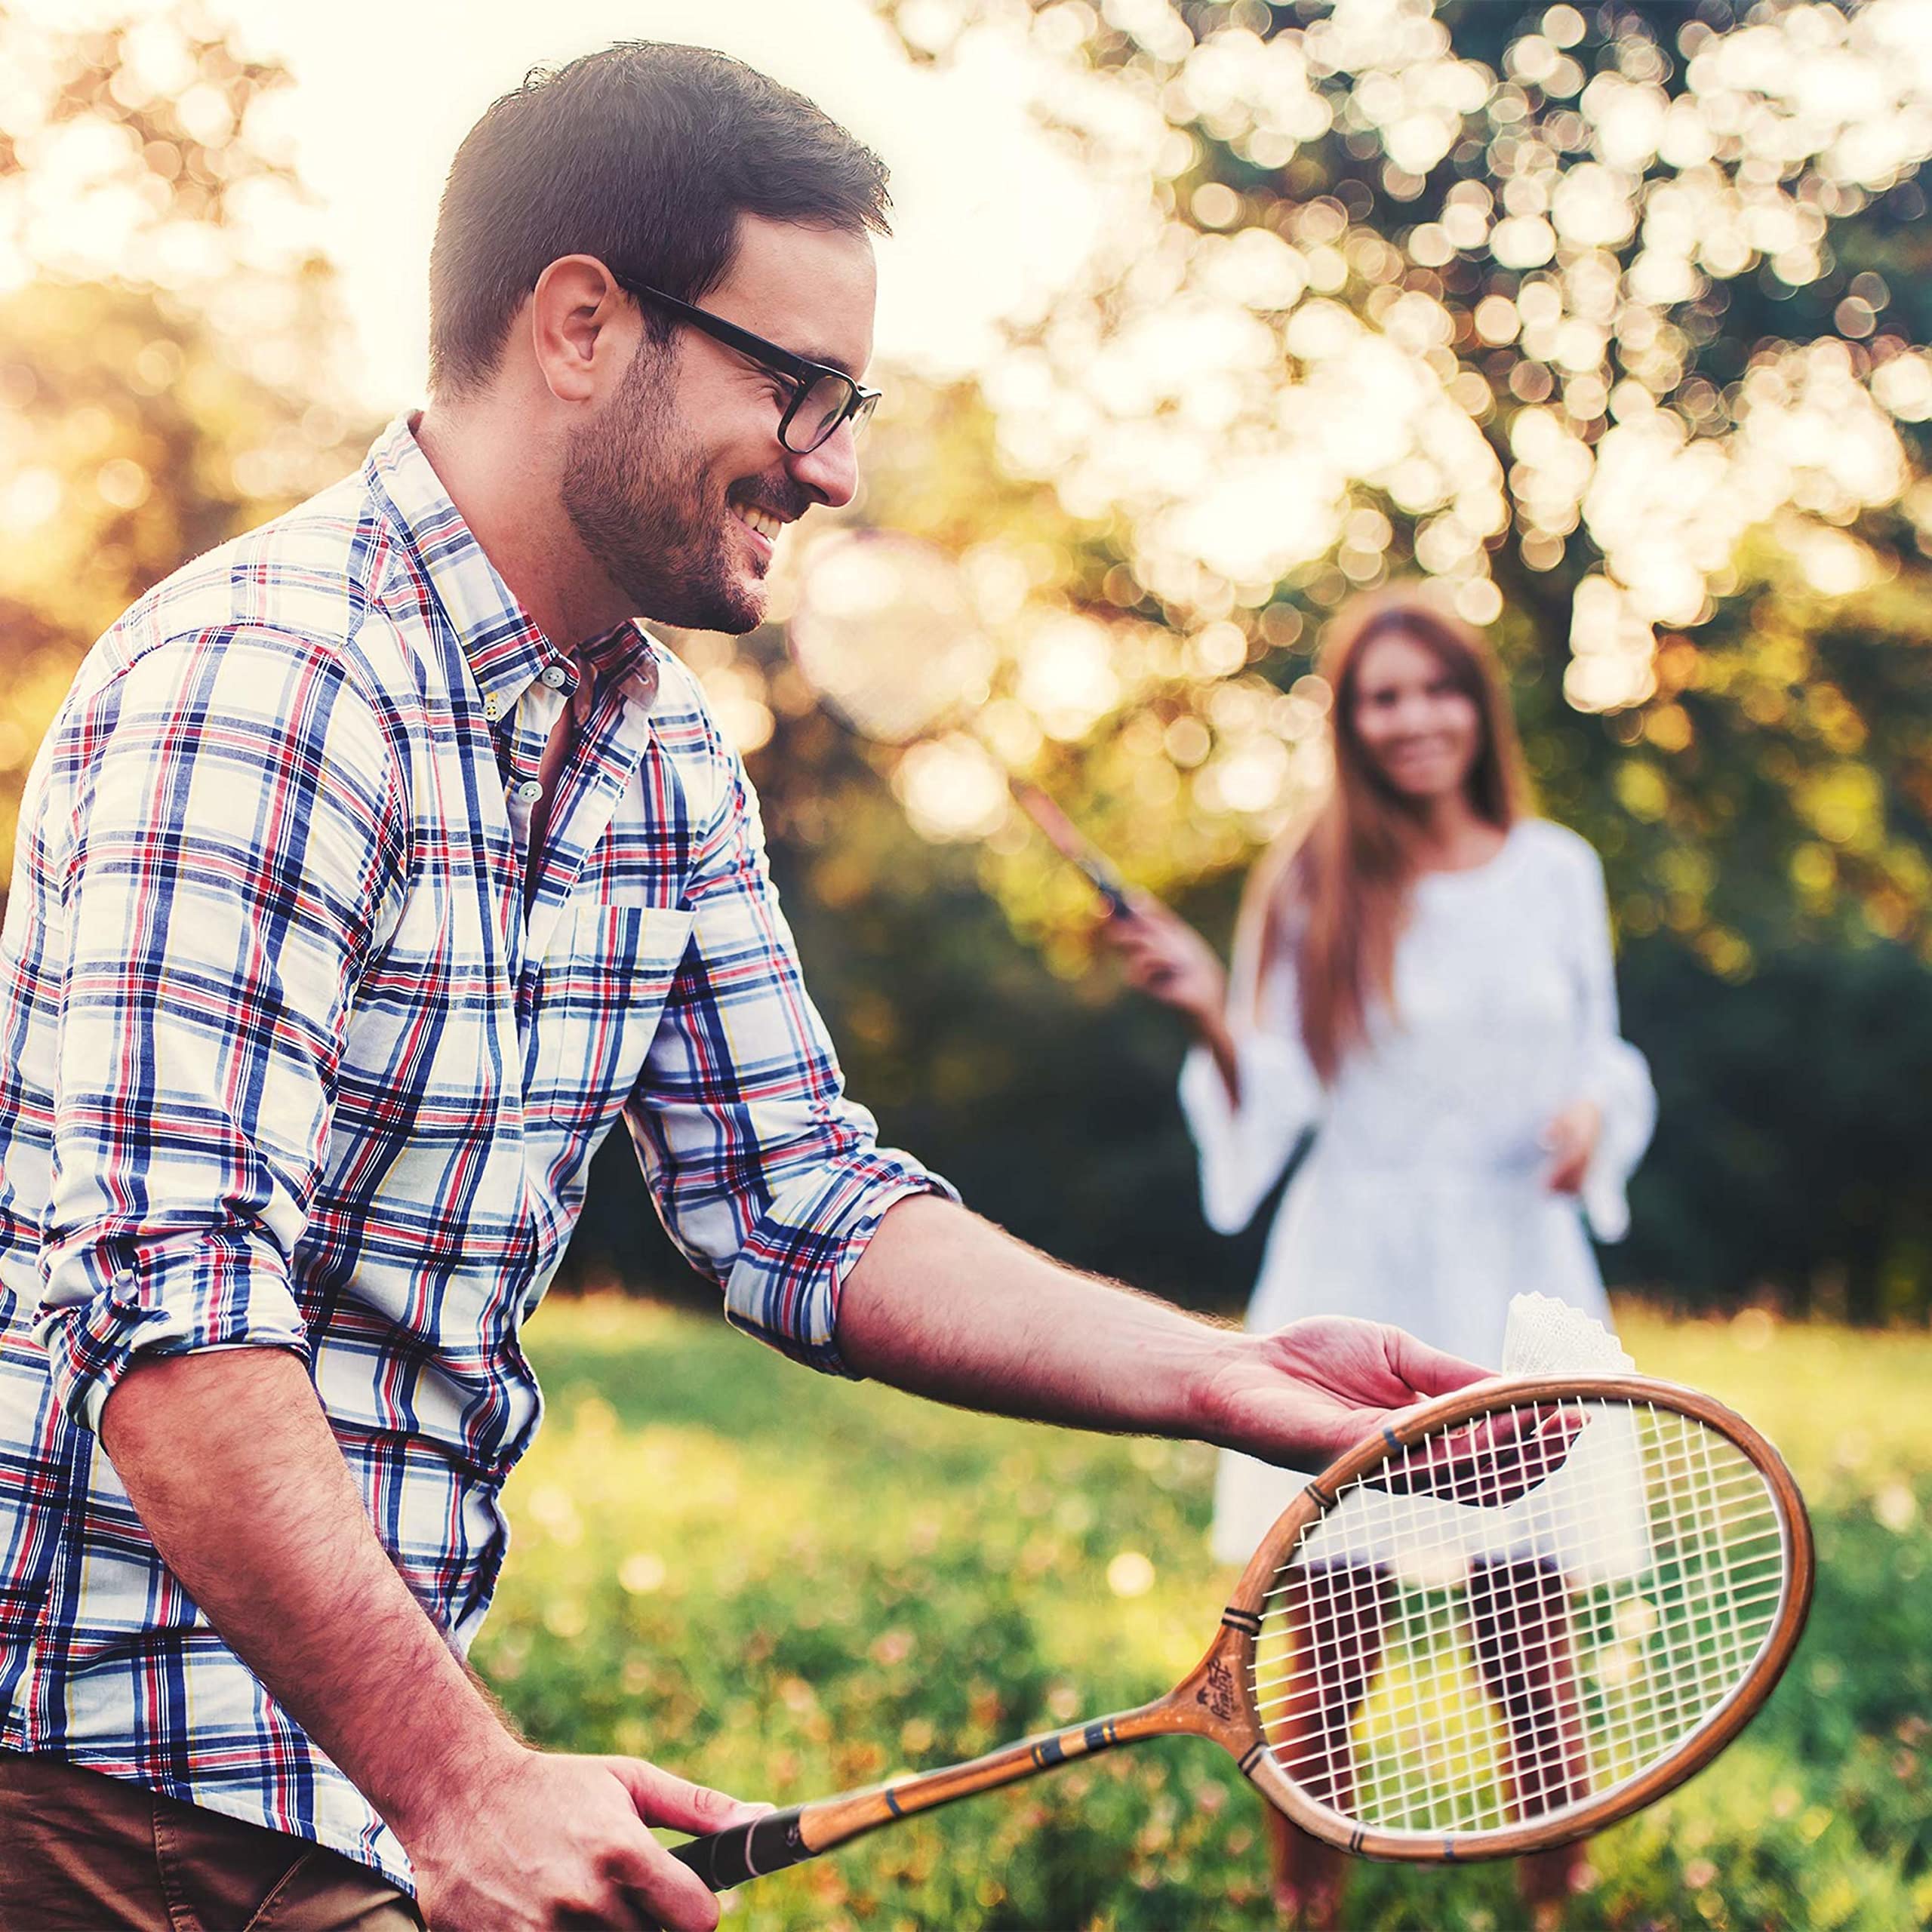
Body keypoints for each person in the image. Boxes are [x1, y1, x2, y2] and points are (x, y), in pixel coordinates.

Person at [0, 47, 1491, 1932]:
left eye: (848, 399)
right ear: (577, 324)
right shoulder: (274, 684)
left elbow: (803, 1198)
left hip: (331, 1776)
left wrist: (1222, 1374)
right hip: (82, 1780)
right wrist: (461, 1780)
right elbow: (164, 1301)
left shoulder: (661, 761)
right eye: (793, 385)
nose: (837, 460)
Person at [1104, 586, 1655, 1930]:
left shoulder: (1558, 869)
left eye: (1436, 690)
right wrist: (1207, 1016)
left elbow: (1604, 1054)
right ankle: (1309, 1906)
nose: (1413, 720)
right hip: (1355, 1265)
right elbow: (1279, 1090)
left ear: (1479, 705)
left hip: (1514, 1266)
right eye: (1381, 699)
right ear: (1351, 725)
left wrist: (1597, 1119)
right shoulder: (1315, 875)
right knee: (1329, 1633)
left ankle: (1553, 1900)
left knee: (1530, 1632)